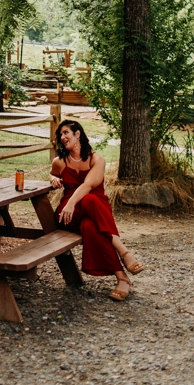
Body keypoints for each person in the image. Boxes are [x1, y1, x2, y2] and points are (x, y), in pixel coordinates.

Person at [49, 119, 145, 301]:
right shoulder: (60, 162)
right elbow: (52, 173)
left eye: (66, 133)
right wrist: (52, 179)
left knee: (90, 226)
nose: (62, 137)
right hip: (68, 215)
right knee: (90, 201)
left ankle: (122, 278)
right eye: (60, 134)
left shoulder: (97, 159)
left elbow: (88, 184)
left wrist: (73, 202)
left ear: (77, 134)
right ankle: (125, 253)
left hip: (93, 210)